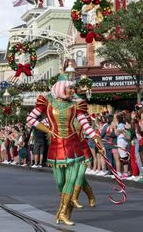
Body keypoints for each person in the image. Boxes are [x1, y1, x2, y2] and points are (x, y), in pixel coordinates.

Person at [26, 74, 105, 226]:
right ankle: (66, 208)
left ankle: (63, 212)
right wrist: (48, 130)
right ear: (61, 88)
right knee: (60, 183)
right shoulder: (46, 102)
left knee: (70, 181)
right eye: (69, 87)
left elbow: (85, 124)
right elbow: (30, 119)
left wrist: (96, 137)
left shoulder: (77, 105)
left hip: (74, 146)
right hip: (56, 148)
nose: (72, 90)